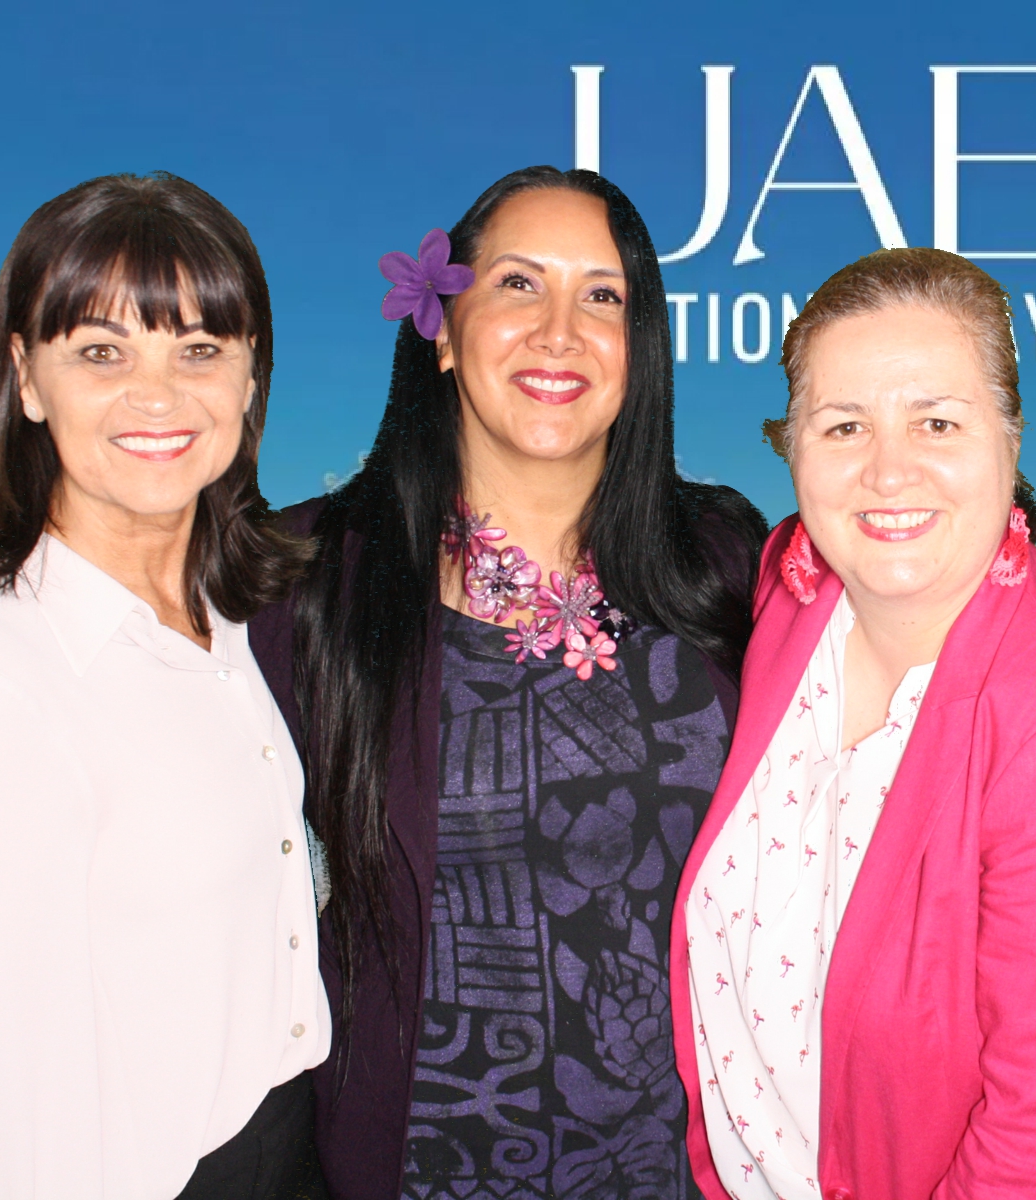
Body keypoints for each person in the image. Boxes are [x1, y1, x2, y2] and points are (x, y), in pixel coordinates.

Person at [246, 166, 766, 1200]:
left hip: (693, 1174)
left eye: (602, 296)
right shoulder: (306, 582)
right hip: (416, 1170)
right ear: (443, 329)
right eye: (519, 284)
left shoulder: (725, 560)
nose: (560, 332)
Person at [672, 247, 1036, 1200]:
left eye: (938, 421)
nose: (888, 470)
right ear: (792, 448)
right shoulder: (792, 592)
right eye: (844, 426)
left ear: (1011, 438)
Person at [0, 174, 328, 1198]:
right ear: (26, 378)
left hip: (287, 1144)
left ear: (251, 378)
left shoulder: (235, 611)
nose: (158, 397)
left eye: (199, 350)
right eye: (101, 352)